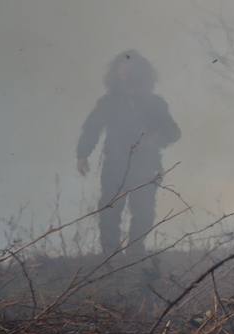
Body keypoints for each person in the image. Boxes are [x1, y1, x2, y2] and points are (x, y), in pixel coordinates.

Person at [76, 50, 181, 258]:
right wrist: (82, 154)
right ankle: (110, 254)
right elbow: (92, 128)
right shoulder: (108, 102)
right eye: (122, 69)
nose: (126, 74)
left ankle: (135, 251)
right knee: (110, 210)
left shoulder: (155, 103)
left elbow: (173, 132)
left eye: (131, 69)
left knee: (143, 211)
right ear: (115, 74)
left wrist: (156, 138)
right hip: (114, 164)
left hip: (147, 164)